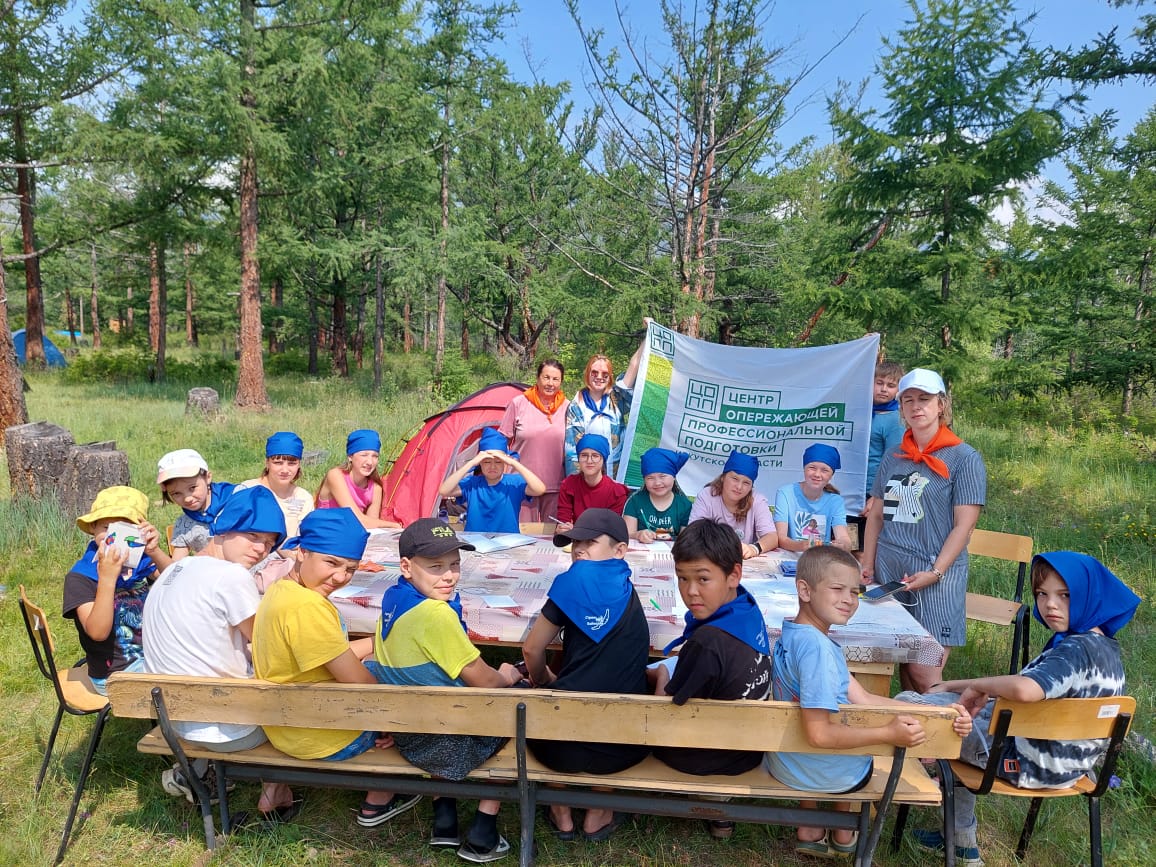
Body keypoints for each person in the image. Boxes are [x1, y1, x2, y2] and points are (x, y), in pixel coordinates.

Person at [901, 551, 1140, 867]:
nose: (1050, 604)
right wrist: (956, 686)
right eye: (1042, 594)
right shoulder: (1105, 649)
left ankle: (926, 820)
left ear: (1091, 595)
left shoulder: (1073, 651)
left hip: (1024, 761)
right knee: (948, 706)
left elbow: (1027, 690)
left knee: (908, 705)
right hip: (1071, 766)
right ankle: (958, 838)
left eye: (1064, 595)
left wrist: (977, 686)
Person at [764, 545, 972, 859]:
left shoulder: (794, 634)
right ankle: (844, 831)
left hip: (787, 763)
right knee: (853, 733)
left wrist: (938, 712)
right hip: (823, 772)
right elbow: (819, 734)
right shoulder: (818, 650)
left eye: (855, 592)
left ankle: (810, 827)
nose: (848, 599)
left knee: (849, 712)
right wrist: (887, 734)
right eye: (837, 589)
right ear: (804, 590)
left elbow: (863, 698)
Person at [251, 508, 419, 829]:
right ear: (302, 552)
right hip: (325, 737)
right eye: (331, 563)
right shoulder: (308, 607)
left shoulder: (281, 590)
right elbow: (361, 685)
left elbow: (330, 655)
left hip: (283, 727)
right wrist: (387, 723)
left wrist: (376, 641)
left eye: (350, 569)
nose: (341, 577)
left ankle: (275, 788)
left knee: (377, 661)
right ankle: (379, 795)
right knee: (404, 676)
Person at [370, 518, 523, 863]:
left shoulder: (393, 599)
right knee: (522, 710)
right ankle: (484, 829)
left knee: (441, 697)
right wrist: (509, 676)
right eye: (436, 567)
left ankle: (445, 819)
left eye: (454, 565)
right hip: (447, 742)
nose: (450, 576)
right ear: (406, 566)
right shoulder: (436, 615)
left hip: (411, 735)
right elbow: (484, 681)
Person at [141, 486, 295, 821]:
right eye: (252, 535)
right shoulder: (231, 576)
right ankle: (276, 790)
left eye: (269, 543)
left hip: (176, 724)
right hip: (228, 729)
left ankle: (197, 771)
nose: (260, 550)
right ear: (225, 527)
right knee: (294, 689)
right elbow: (265, 645)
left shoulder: (173, 571)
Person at [523, 509, 651, 842]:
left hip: (560, 749)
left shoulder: (573, 580)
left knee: (534, 703)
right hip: (623, 748)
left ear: (620, 550)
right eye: (574, 542)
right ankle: (597, 813)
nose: (578, 549)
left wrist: (545, 681)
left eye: (589, 542)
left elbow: (532, 651)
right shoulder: (628, 589)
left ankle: (561, 810)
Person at [861, 368, 987, 693]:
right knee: (902, 671)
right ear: (901, 409)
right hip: (891, 572)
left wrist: (936, 571)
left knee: (924, 673)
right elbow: (877, 515)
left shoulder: (964, 458)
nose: (917, 406)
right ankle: (911, 740)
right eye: (909, 400)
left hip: (935, 578)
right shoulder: (894, 455)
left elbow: (965, 525)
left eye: (925, 399)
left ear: (941, 404)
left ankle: (963, 732)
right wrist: (868, 564)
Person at [651, 519, 773, 839]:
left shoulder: (708, 641)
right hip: (748, 747)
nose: (691, 591)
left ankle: (712, 800)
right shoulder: (745, 606)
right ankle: (719, 813)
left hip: (707, 755)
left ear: (734, 573)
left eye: (703, 579)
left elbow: (667, 710)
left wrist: (663, 673)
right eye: (682, 578)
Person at [62, 486, 166, 694]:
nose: (115, 537)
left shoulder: (140, 563)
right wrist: (108, 579)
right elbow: (97, 633)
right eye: (107, 527)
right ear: (93, 527)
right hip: (117, 674)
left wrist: (155, 552)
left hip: (154, 655)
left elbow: (177, 582)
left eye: (126, 530)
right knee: (194, 678)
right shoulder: (81, 577)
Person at [563, 335, 646, 477]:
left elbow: (634, 365)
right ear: (587, 374)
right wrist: (576, 483)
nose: (599, 377)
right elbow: (572, 451)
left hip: (616, 474)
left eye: (605, 374)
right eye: (594, 373)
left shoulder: (616, 398)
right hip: (588, 477)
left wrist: (649, 334)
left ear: (610, 377)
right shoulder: (577, 406)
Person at [498, 359, 569, 523]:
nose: (550, 383)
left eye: (555, 379)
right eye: (546, 377)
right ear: (537, 378)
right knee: (520, 537)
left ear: (561, 382)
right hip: (521, 484)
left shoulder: (568, 407)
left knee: (551, 539)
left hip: (555, 486)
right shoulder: (519, 404)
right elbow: (501, 442)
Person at [437, 428, 546, 534]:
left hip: (508, 543)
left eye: (498, 462)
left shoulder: (514, 482)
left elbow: (540, 489)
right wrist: (471, 463)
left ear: (505, 463)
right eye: (487, 462)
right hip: (476, 542)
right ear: (480, 463)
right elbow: (444, 490)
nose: (492, 466)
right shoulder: (472, 483)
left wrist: (513, 463)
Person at [687, 449, 778, 559]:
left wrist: (753, 549)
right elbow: (693, 532)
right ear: (723, 477)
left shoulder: (758, 500)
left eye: (746, 483)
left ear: (751, 487)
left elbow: (772, 537)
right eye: (735, 478)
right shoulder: (707, 495)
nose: (739, 487)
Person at [158, 448, 235, 562]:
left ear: (208, 477)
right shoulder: (183, 526)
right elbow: (176, 567)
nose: (187, 498)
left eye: (192, 488)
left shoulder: (236, 503)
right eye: (176, 493)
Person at [315, 429, 401, 529]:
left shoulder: (376, 488)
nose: (370, 461)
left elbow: (371, 526)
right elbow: (357, 519)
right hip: (325, 534)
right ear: (350, 456)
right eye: (364, 455)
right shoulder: (336, 475)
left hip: (350, 536)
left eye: (375, 456)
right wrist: (394, 525)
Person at [774, 444, 852, 552]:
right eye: (812, 468)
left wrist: (843, 545)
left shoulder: (835, 501)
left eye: (825, 470)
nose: (817, 474)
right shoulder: (785, 493)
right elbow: (780, 538)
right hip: (790, 558)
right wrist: (800, 546)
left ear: (831, 475)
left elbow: (844, 538)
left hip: (820, 560)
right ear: (804, 469)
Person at [236, 431, 314, 537]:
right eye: (278, 463)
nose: (285, 470)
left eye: (292, 463)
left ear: (299, 464)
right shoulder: (247, 490)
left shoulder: (304, 498)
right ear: (267, 463)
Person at [554, 434, 629, 528]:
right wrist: (563, 528)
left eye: (595, 455)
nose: (589, 461)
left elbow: (612, 529)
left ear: (603, 459)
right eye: (584, 455)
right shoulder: (569, 485)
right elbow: (563, 518)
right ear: (578, 458)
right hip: (574, 539)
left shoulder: (616, 492)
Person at [623, 447, 693, 542]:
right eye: (650, 478)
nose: (657, 483)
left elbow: (686, 540)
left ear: (673, 477)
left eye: (662, 476)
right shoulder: (635, 501)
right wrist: (638, 535)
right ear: (644, 480)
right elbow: (627, 534)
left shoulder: (685, 505)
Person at [865, 360, 905, 507]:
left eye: (891, 385)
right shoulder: (862, 412)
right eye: (879, 383)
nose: (883, 389)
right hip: (851, 486)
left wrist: (877, 495)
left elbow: (894, 462)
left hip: (873, 490)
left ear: (898, 390)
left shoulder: (895, 420)